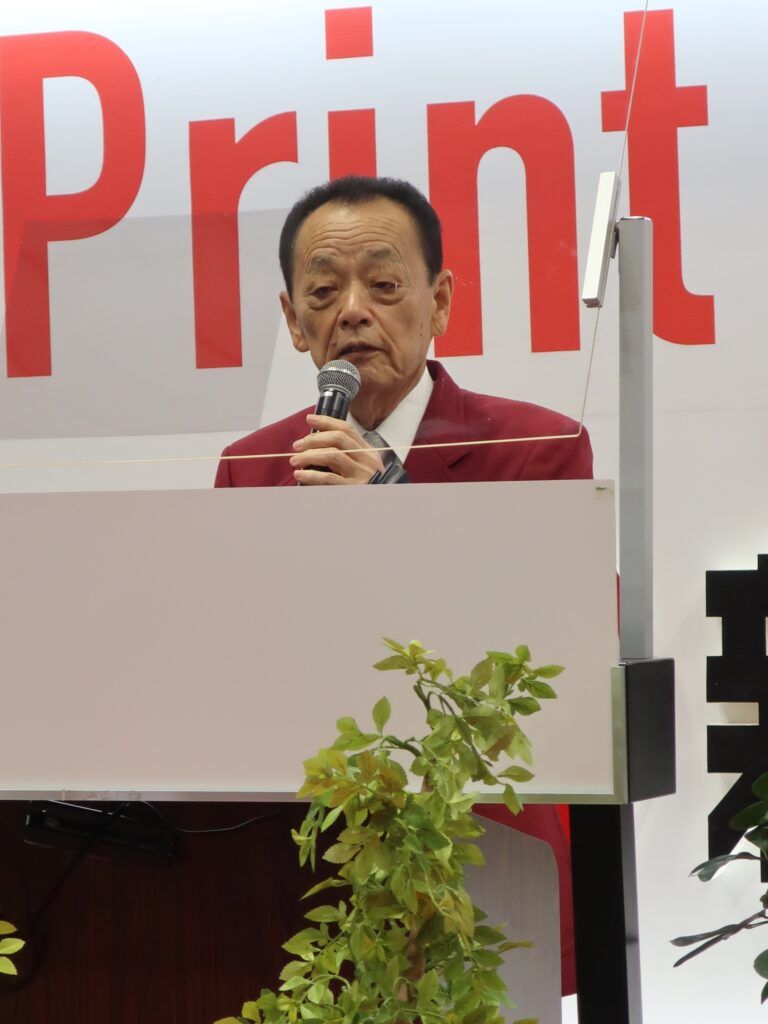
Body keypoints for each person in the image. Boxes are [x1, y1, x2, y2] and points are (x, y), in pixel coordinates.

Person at [215, 175, 593, 995]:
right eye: (324, 292)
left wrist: (393, 505)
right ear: (293, 320)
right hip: (302, 869)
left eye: (384, 286)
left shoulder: (537, 448)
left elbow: (545, 659)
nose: (353, 311)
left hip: (482, 856)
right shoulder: (252, 468)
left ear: (439, 300)